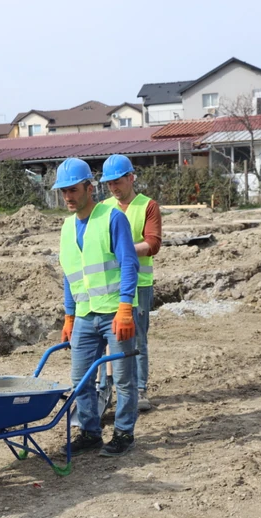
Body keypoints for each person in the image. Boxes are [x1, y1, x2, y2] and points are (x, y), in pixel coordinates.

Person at [55, 158, 140, 457]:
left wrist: (126, 307)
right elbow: (70, 274)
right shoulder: (67, 227)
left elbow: (129, 264)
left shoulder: (112, 218)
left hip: (115, 312)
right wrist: (68, 316)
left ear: (89, 188)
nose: (68, 197)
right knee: (80, 380)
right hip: (84, 314)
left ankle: (123, 433)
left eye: (73, 190)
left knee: (124, 379)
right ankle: (90, 432)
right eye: (64, 191)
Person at [100, 155, 162, 411]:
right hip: (110, 283)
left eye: (117, 182)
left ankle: (139, 389)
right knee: (107, 338)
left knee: (137, 338)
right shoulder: (103, 207)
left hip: (140, 283)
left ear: (131, 178)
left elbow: (153, 243)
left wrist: (124, 250)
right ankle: (104, 388)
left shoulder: (147, 206)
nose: (113, 187)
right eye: (109, 183)